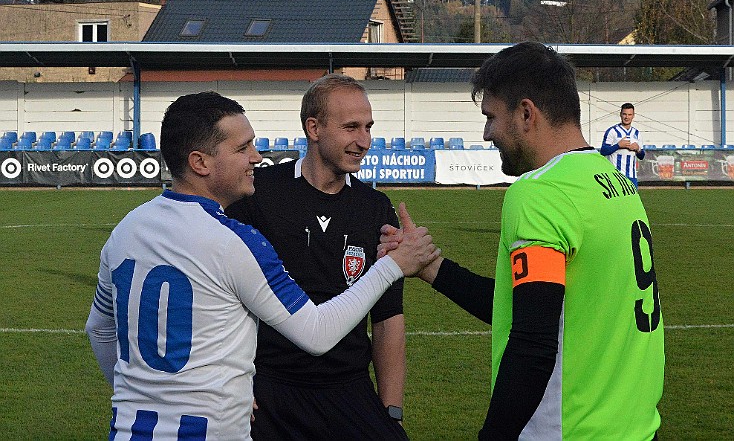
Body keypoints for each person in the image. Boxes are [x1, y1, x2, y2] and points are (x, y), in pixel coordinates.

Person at [84, 91, 438, 440]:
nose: (256, 157)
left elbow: (100, 329)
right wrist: (394, 265)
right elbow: (316, 332)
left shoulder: (126, 229)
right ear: (200, 162)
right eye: (242, 148)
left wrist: (144, 391)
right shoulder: (234, 240)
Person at [381, 42, 664, 440]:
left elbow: (532, 343)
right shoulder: (613, 180)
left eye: (491, 117)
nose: (486, 133)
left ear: (526, 113)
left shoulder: (540, 191)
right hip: (634, 427)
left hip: (569, 431)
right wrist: (432, 269)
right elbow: (530, 305)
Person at [225, 74, 408, 440]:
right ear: (314, 128)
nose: (364, 141)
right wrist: (230, 385)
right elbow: (221, 303)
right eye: (351, 127)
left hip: (348, 388)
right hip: (270, 389)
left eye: (368, 127)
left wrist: (391, 409)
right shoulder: (258, 196)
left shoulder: (375, 209)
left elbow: (388, 317)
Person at [601, 102, 646, 186]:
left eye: (629, 114)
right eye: (624, 114)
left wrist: (638, 149)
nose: (627, 117)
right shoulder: (612, 131)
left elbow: (641, 156)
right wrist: (618, 146)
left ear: (633, 116)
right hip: (615, 176)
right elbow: (603, 151)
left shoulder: (636, 133)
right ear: (620, 115)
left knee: (633, 199)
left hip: (631, 176)